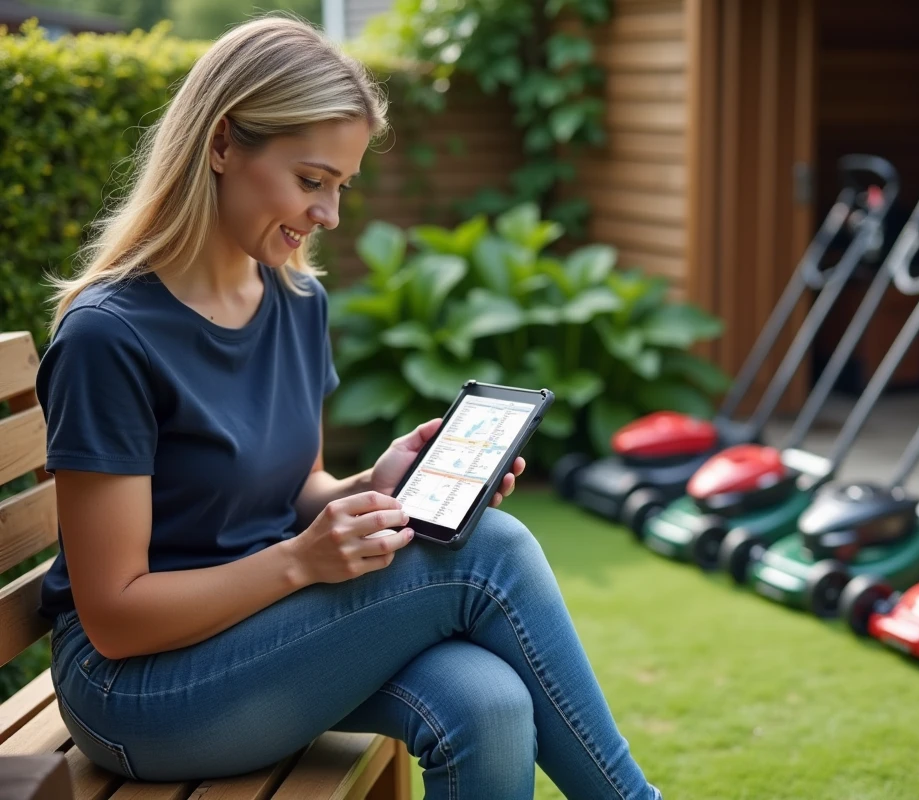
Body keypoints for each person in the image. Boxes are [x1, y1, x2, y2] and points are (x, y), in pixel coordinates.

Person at [36, 14, 661, 800]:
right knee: (486, 551)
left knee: (491, 703)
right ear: (223, 144)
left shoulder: (295, 300)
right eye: (310, 180)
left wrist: (375, 483)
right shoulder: (110, 338)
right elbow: (115, 616)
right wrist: (299, 562)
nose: (328, 215)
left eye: (340, 186)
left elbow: (294, 494)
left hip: (262, 638)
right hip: (137, 691)